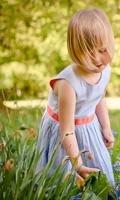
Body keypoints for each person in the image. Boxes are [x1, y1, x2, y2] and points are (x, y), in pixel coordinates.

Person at [36, 7, 115, 187]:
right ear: (75, 50)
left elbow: (99, 97)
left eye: (102, 49)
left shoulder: (105, 70)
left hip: (88, 125)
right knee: (65, 179)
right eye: (88, 52)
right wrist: (78, 165)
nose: (96, 59)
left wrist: (107, 127)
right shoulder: (68, 84)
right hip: (63, 130)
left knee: (100, 171)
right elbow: (67, 131)